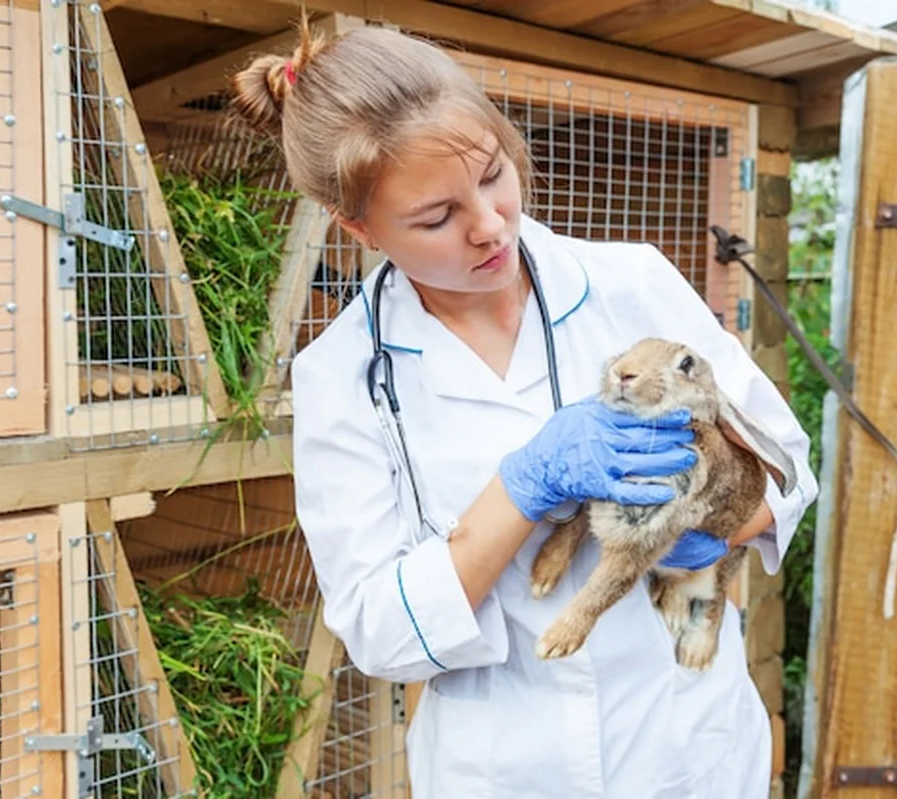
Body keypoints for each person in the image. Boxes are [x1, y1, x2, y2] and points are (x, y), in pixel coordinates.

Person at [232, 16, 817, 799]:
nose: (489, 225)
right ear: (357, 225)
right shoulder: (342, 375)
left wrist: (702, 524)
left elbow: (786, 466)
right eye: (436, 217)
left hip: (687, 748)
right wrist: (521, 487)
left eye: (493, 173)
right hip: (505, 769)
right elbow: (380, 630)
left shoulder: (631, 283)